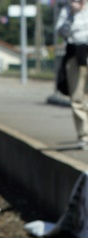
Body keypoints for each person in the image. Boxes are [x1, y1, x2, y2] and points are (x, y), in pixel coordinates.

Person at [56, 0, 88, 149]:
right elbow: (60, 32)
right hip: (75, 55)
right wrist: (71, 17)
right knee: (77, 98)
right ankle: (84, 136)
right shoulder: (66, 11)